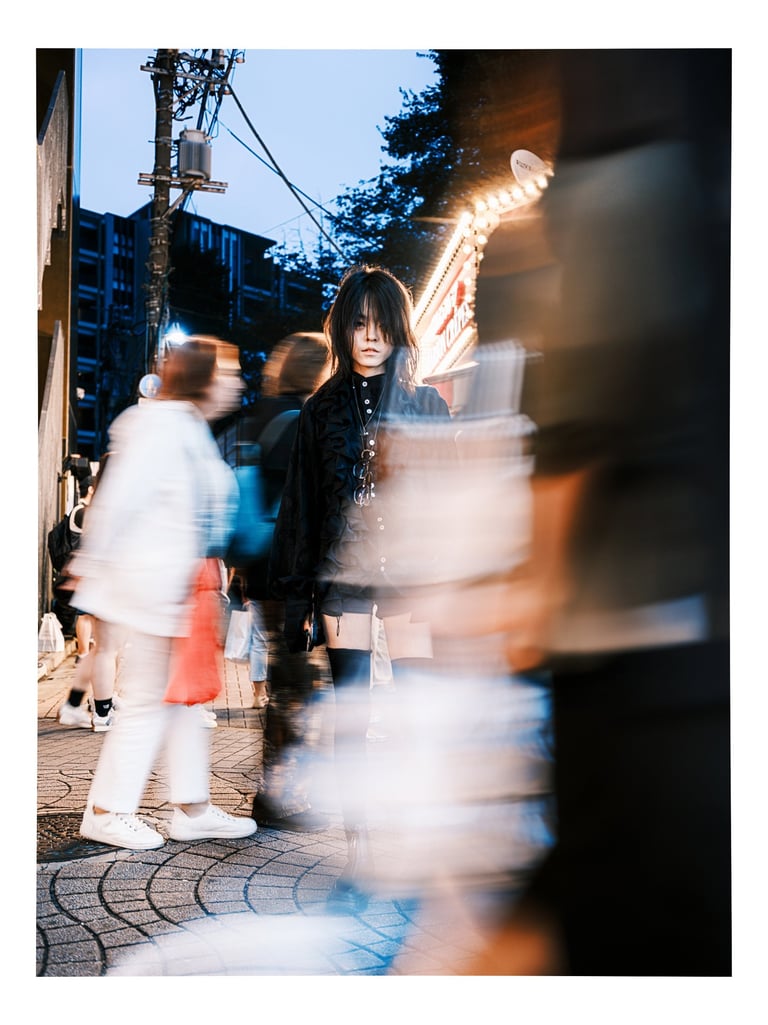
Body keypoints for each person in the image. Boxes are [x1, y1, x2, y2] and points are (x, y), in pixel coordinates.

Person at [466, 50, 731, 975]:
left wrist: (535, 581)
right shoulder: (695, 172)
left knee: (595, 904)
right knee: (600, 904)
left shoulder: (620, 181)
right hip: (672, 623)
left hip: (628, 625)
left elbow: (580, 411)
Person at [269, 266, 452, 903]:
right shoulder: (319, 411)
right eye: (358, 324)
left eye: (380, 325)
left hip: (409, 580)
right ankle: (360, 851)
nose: (369, 337)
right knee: (353, 712)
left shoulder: (427, 405)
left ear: (398, 330)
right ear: (342, 329)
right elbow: (301, 510)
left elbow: (447, 503)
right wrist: (297, 600)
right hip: (342, 578)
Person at [69, 336, 258, 851]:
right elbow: (119, 501)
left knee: (180, 703)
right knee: (148, 701)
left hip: (175, 592)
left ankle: (192, 807)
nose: (237, 382)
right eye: (228, 372)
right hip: (154, 590)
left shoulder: (183, 426)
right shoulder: (160, 425)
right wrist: (89, 566)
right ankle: (107, 812)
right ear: (203, 378)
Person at [230, 332, 333, 832]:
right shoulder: (300, 419)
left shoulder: (261, 414)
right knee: (297, 685)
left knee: (288, 680)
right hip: (290, 573)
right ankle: (278, 797)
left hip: (263, 570)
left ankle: (280, 791)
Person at [57, 455, 122, 731]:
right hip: (108, 584)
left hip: (99, 583)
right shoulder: (114, 505)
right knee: (107, 649)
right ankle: (102, 712)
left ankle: (75, 704)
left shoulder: (99, 503)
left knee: (101, 649)